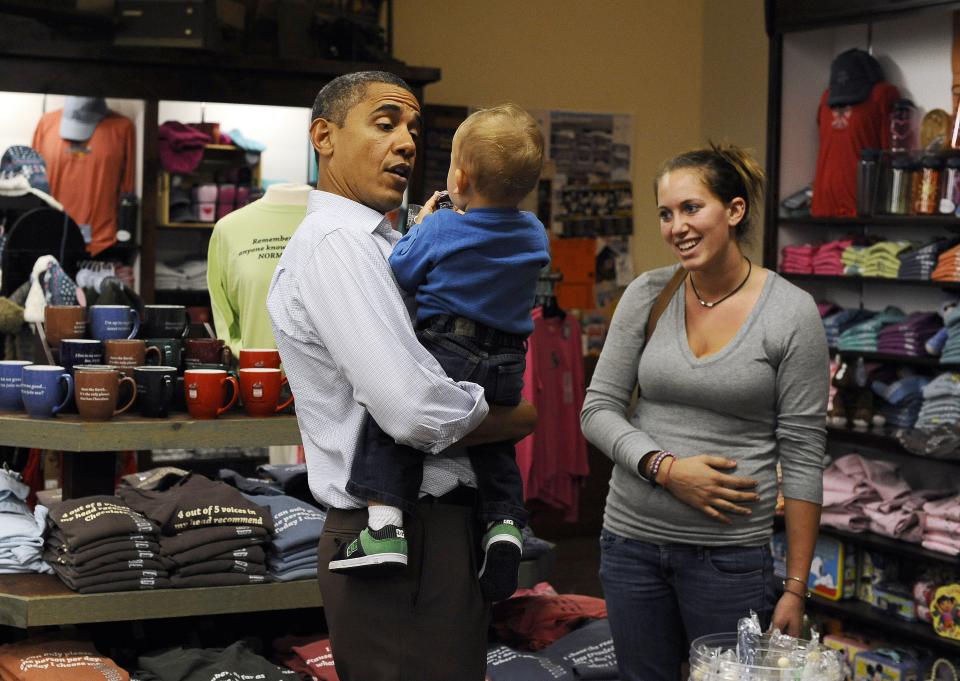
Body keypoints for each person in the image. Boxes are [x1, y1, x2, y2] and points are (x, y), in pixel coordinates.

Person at [266, 72, 536, 681]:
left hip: (427, 535)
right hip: (398, 536)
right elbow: (410, 408)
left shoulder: (380, 240)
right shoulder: (337, 242)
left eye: (413, 128)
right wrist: (509, 418)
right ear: (323, 137)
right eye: (385, 123)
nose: (408, 142)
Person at [580, 144, 828, 681]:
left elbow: (805, 453)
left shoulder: (790, 312)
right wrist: (667, 469)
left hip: (730, 559)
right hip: (630, 543)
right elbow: (597, 409)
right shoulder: (648, 294)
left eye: (692, 208)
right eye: (666, 214)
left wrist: (795, 586)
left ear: (734, 211)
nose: (677, 227)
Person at [328, 103, 550, 604]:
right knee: (492, 439)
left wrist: (422, 226)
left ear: (461, 177)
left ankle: (385, 526)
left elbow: (402, 272)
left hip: (450, 345)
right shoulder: (534, 231)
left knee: (389, 424)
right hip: (510, 358)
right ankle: (505, 524)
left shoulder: (442, 228)